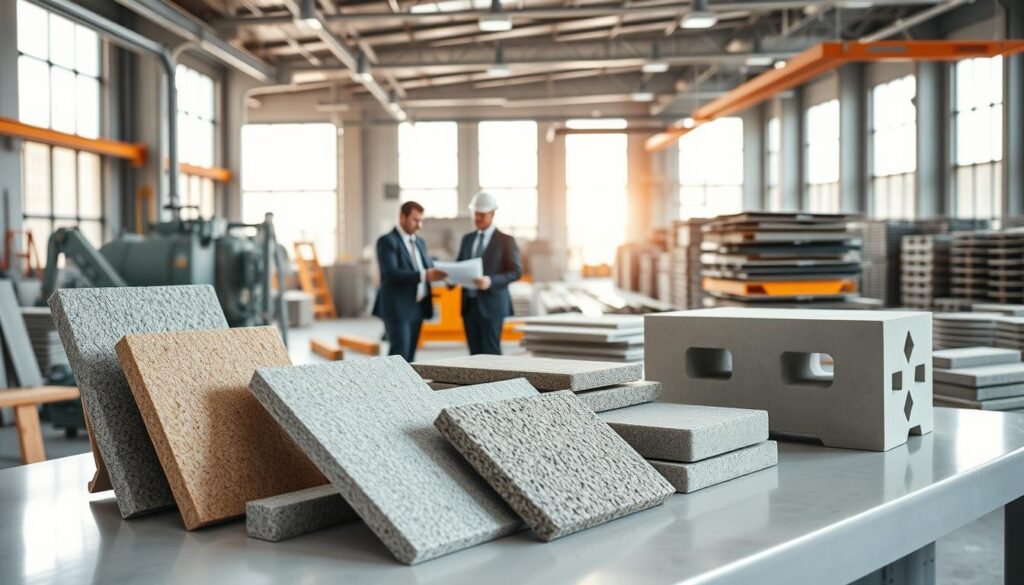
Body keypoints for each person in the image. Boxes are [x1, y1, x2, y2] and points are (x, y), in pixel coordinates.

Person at [372, 201, 447, 362]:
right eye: (415, 220)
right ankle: (391, 387)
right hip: (397, 307)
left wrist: (448, 274)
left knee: (411, 355)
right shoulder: (387, 241)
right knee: (399, 354)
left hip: (418, 305)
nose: (419, 225)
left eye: (421, 220)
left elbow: (427, 265)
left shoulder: (419, 242)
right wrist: (424, 275)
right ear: (402, 217)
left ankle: (407, 387)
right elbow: (391, 273)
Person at [456, 191, 523, 355]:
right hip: (469, 306)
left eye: (482, 214)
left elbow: (516, 272)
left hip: (492, 306)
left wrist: (491, 280)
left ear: (492, 214)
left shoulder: (506, 241)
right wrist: (450, 277)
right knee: (474, 354)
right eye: (475, 214)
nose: (477, 218)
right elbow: (460, 265)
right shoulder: (468, 239)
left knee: (491, 353)